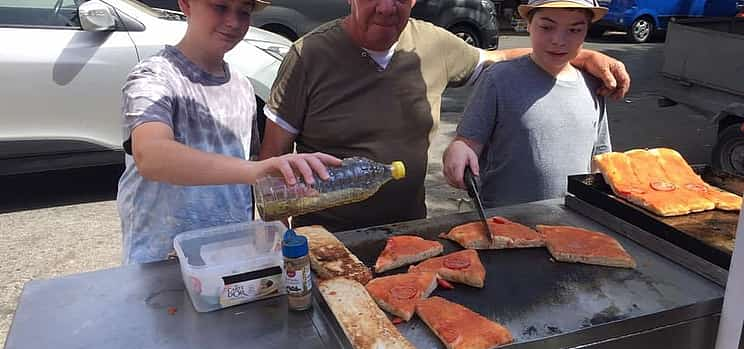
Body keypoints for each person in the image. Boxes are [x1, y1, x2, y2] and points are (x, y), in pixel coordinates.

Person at [259, 0, 630, 232]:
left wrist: (580, 56)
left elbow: (497, 61)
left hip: (410, 231)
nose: (388, 7)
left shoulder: (432, 43)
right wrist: (280, 242)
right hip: (328, 237)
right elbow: (271, 163)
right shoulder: (308, 55)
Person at [117, 0, 341, 264]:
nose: (233, 22)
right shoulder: (153, 78)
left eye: (243, 12)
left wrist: (287, 186)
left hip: (230, 258)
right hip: (161, 261)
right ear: (186, 4)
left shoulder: (242, 86)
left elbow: (253, 170)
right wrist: (256, 171)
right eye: (220, 7)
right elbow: (151, 155)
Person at [442, 0, 612, 207]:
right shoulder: (499, 79)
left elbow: (601, 157)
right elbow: (467, 142)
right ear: (528, 25)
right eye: (546, 27)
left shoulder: (593, 84)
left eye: (574, 29)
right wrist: (458, 150)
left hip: (573, 220)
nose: (559, 40)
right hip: (504, 220)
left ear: (586, 30)